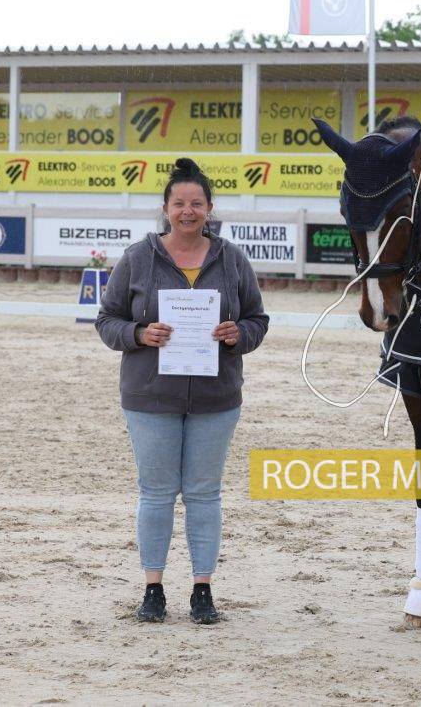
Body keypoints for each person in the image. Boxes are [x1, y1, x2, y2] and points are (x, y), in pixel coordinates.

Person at [95, 158, 269, 625]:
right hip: (150, 397)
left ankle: (202, 589)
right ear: (166, 208)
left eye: (196, 203)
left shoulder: (232, 259)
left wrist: (239, 335)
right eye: (179, 203)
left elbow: (258, 319)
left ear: (209, 208)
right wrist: (138, 334)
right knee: (156, 493)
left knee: (204, 494)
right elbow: (106, 321)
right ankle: (152, 588)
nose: (187, 211)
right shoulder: (137, 257)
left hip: (216, 399)